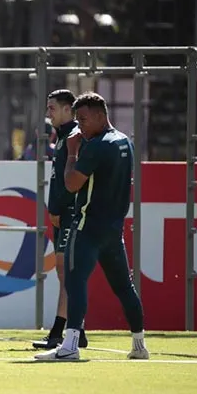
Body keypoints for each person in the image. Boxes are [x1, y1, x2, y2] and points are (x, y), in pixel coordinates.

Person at [35, 92, 149, 361]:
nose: (80, 126)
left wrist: (72, 151)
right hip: (113, 229)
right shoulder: (125, 142)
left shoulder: (96, 145)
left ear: (101, 115)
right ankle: (139, 344)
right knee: (125, 287)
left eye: (84, 119)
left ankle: (70, 345)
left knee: (74, 283)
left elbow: (71, 183)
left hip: (87, 227)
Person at [32, 89, 89, 350]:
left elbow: (73, 182)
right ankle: (78, 329)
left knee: (67, 274)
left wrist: (59, 208)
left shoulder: (76, 137)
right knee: (63, 272)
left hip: (70, 215)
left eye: (52, 108)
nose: (48, 113)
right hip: (60, 214)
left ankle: (58, 333)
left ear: (68, 109)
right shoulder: (64, 136)